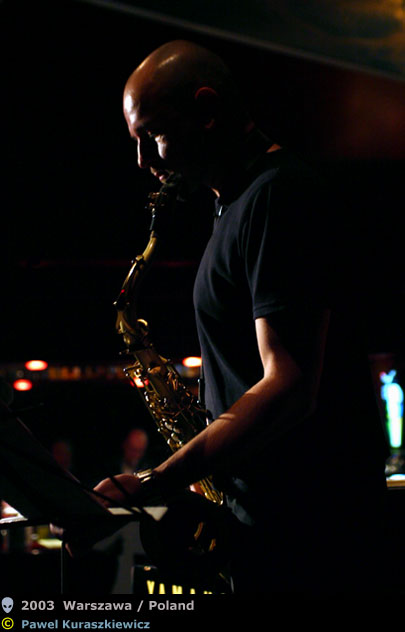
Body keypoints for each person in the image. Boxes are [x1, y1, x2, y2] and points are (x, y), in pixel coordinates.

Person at [89, 40, 388, 596]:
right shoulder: (236, 204)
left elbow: (289, 385)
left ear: (207, 110)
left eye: (153, 135)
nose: (144, 162)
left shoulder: (279, 196)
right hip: (276, 526)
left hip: (311, 536)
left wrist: (157, 480)